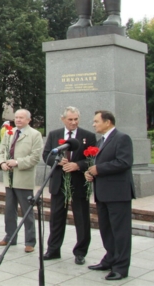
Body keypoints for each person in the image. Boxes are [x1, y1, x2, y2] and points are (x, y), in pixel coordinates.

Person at [42, 106, 97, 265]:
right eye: (70, 119)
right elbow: (46, 156)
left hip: (78, 183)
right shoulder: (54, 135)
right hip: (59, 182)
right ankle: (53, 250)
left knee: (81, 218)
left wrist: (77, 165)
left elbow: (92, 159)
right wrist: (57, 162)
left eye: (76, 119)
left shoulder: (88, 136)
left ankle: (80, 252)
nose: (73, 122)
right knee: (56, 217)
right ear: (63, 119)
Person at [85, 110, 134, 281]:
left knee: (120, 231)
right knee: (106, 230)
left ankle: (121, 267)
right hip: (102, 193)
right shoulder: (100, 142)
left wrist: (99, 169)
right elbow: (96, 164)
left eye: (96, 121)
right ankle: (110, 259)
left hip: (118, 194)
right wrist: (91, 173)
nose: (94, 124)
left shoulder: (122, 138)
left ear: (108, 122)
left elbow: (124, 162)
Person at [0, 109, 43, 253]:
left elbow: (35, 157)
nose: (18, 120)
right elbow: (1, 151)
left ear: (29, 120)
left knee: (27, 211)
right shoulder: (10, 133)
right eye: (16, 117)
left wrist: (17, 162)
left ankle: (30, 241)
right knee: (9, 210)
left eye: (21, 118)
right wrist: (2, 163)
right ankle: (10, 236)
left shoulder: (35, 134)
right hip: (9, 178)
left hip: (23, 178)